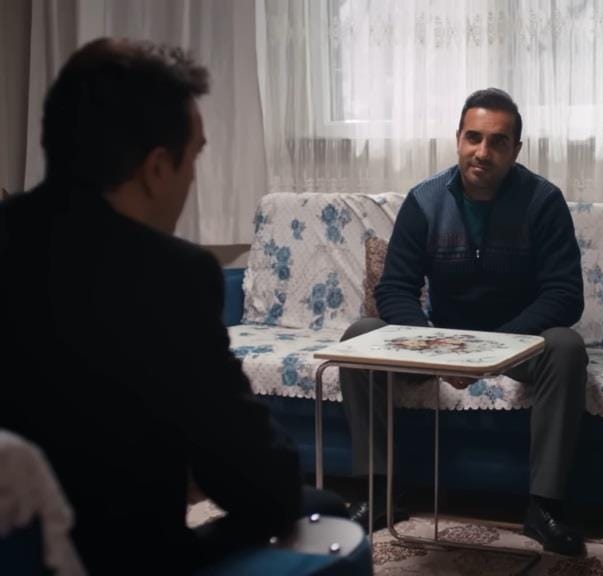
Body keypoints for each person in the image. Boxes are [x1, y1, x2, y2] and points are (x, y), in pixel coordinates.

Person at [0, 38, 347, 574]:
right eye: (195, 157)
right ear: (157, 168)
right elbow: (263, 486)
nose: (192, 177)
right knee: (327, 511)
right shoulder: (170, 275)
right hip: (118, 559)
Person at [339, 88, 589, 556]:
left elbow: (565, 294)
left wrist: (490, 350)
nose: (483, 152)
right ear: (458, 138)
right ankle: (378, 493)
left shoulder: (543, 201)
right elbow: (395, 289)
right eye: (473, 137)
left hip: (520, 344)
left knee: (567, 346)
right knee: (359, 336)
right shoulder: (425, 200)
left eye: (498, 141)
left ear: (516, 149)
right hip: (440, 343)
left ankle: (544, 506)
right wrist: (436, 348)